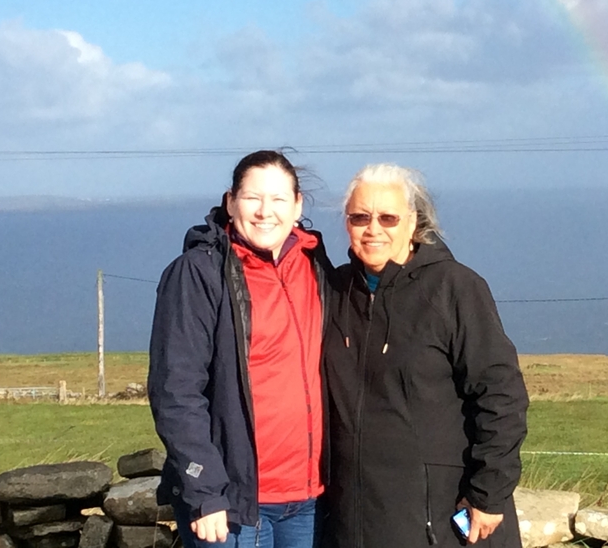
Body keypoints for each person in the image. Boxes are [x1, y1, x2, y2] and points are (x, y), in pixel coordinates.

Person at [322, 164, 528, 548]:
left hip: (438, 519)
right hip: (354, 519)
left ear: (414, 221)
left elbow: (501, 395)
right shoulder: (334, 291)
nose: (373, 229)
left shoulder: (455, 289)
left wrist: (489, 492)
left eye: (388, 217)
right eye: (359, 217)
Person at [148, 150, 333, 548]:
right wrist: (205, 491)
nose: (266, 211)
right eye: (253, 198)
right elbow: (175, 392)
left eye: (279, 199)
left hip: (308, 499)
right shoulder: (198, 273)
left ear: (297, 205)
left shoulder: (314, 263)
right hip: (233, 503)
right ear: (230, 202)